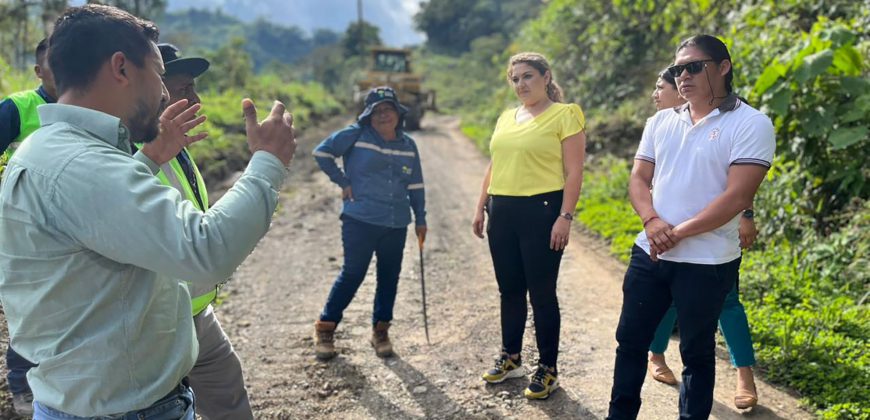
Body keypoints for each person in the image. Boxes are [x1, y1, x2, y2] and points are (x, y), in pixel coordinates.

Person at [0, 4, 296, 419]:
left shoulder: (52, 149)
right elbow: (204, 251)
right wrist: (267, 162)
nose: (165, 93)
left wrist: (149, 159)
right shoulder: (81, 165)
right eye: (158, 74)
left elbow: (104, 223)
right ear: (121, 68)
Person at [607, 35, 775, 419]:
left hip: (708, 261)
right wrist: (652, 222)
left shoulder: (751, 124)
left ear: (723, 67)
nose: (683, 76)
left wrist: (676, 233)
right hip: (650, 252)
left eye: (694, 67)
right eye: (677, 69)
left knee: (696, 354)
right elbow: (638, 179)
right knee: (630, 343)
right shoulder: (661, 121)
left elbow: (737, 196)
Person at [147, 42, 254, 420]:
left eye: (193, 87)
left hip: (195, 311)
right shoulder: (130, 154)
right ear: (154, 91)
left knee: (228, 393)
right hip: (159, 321)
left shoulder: (178, 145)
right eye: (184, 89)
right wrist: (266, 166)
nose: (195, 98)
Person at [473, 52, 586, 400]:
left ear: (546, 77)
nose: (521, 84)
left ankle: (548, 369)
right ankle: (511, 357)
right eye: (515, 78)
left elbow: (574, 171)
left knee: (541, 293)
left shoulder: (566, 114)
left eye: (528, 76)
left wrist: (565, 216)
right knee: (509, 289)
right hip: (501, 211)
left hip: (542, 211)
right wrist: (480, 207)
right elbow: (495, 165)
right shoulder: (506, 118)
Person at [647, 68, 761, 410]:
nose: (655, 94)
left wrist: (746, 214)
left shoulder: (727, 119)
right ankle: (656, 354)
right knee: (667, 300)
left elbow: (738, 178)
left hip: (714, 237)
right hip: (667, 234)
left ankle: (745, 375)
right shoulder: (661, 125)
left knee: (728, 302)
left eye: (660, 87)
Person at [312, 86, 427, 360]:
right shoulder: (356, 135)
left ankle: (381, 332)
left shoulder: (408, 145)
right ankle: (325, 329)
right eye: (377, 111)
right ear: (368, 115)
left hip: (396, 223)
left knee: (389, 276)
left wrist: (421, 219)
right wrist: (343, 181)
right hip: (360, 220)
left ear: (398, 113)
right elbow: (322, 153)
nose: (383, 115)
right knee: (353, 273)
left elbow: (416, 185)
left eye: (388, 109)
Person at [0, 37, 56, 419]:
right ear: (38, 71)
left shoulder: (89, 109)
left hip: (66, 229)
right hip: (21, 229)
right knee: (28, 305)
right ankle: (21, 384)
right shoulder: (18, 108)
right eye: (54, 63)